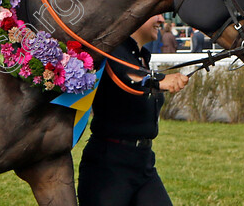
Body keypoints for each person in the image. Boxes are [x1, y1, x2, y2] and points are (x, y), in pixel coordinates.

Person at [77, 14, 189, 206]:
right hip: (107, 168)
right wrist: (157, 82)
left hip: (144, 163)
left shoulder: (142, 58)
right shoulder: (111, 50)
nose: (162, 20)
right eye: (157, 14)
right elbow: (125, 76)